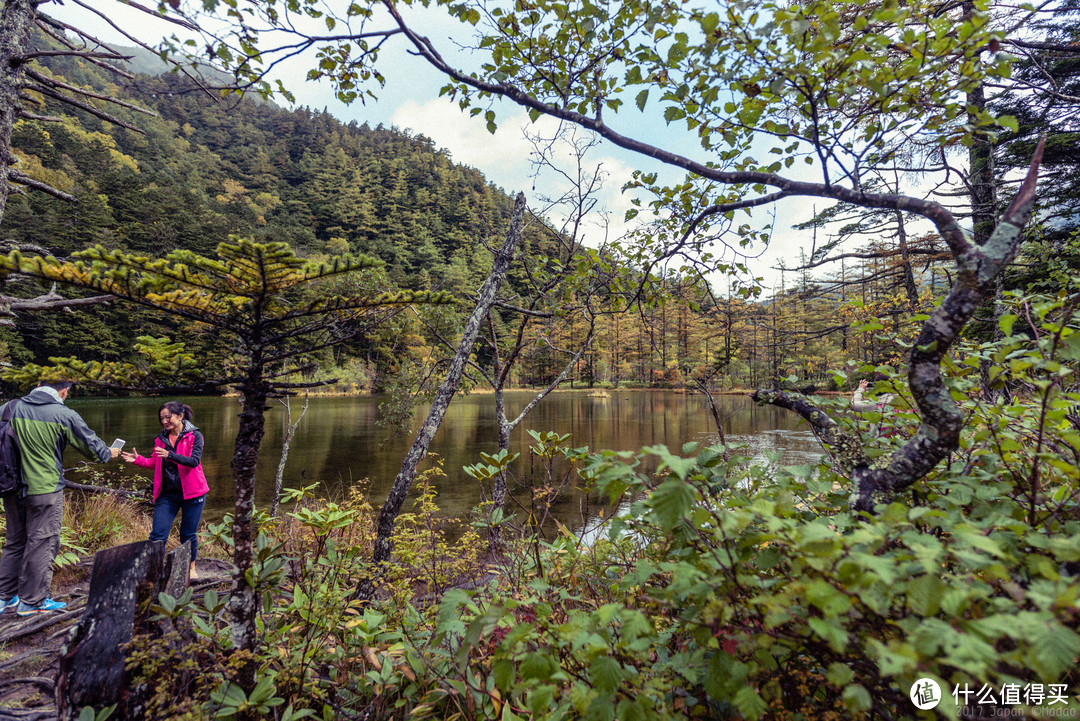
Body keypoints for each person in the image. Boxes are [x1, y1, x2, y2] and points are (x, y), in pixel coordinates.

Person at [0, 380, 120, 616]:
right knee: (42, 542)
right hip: (44, 489)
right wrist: (110, 452)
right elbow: (95, 451)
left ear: (37, 384)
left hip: (10, 487)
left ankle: (5, 598)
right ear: (64, 391)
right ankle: (32, 602)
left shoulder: (7, 407)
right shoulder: (63, 414)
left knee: (15, 541)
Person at [121, 401, 209, 580]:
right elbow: (155, 462)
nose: (165, 421)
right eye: (162, 418)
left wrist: (170, 455)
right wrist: (138, 459)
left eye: (168, 417)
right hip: (167, 494)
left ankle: (191, 568)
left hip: (193, 493)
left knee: (188, 534)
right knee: (158, 534)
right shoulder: (160, 439)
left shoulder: (195, 436)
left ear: (180, 416)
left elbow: (193, 461)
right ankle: (155, 570)